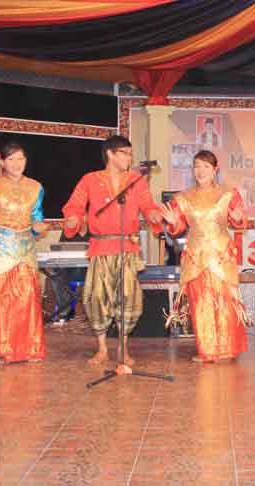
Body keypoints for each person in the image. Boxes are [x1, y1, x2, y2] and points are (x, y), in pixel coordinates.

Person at [62, 135, 162, 367]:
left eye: (130, 154)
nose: (129, 158)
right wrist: (73, 219)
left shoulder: (136, 181)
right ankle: (102, 349)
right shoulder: (90, 179)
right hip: (100, 247)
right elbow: (75, 205)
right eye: (125, 153)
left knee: (128, 297)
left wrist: (153, 215)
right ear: (110, 154)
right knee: (97, 297)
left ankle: (123, 349)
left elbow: (148, 205)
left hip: (127, 248)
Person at [160, 150, 248, 363]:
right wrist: (173, 222)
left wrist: (238, 219)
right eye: (197, 166)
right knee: (201, 302)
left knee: (224, 301)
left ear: (215, 169)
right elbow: (179, 227)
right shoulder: (183, 198)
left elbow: (239, 222)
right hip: (196, 256)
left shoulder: (228, 193)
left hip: (221, 255)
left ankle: (227, 349)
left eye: (206, 166)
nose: (201, 171)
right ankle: (207, 351)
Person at [0, 142, 48, 364]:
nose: (17, 163)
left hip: (25, 249)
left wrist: (39, 227)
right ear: (2, 163)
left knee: (28, 298)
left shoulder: (36, 187)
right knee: (2, 301)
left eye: (21, 158)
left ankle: (32, 349)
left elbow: (36, 218)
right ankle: (5, 351)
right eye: (11, 159)